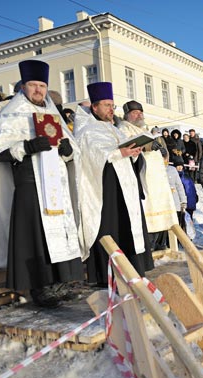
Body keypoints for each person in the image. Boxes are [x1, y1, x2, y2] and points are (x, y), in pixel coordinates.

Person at [0, 60, 84, 307]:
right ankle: (40, 286)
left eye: (42, 86)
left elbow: (71, 152)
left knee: (60, 231)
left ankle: (62, 281)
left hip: (56, 184)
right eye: (33, 85)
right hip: (29, 179)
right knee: (35, 233)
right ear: (23, 86)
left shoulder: (53, 114)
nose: (38, 90)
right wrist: (25, 146)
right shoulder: (10, 113)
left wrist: (68, 150)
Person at [73, 81, 152, 286]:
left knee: (127, 226)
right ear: (95, 107)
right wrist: (119, 152)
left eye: (112, 105)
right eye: (107, 105)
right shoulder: (86, 129)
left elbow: (123, 151)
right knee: (110, 228)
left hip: (124, 188)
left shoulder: (115, 129)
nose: (111, 110)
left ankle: (131, 269)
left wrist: (133, 153)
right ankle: (106, 275)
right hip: (104, 189)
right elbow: (93, 153)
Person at [118, 100, 177, 253]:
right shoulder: (123, 128)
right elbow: (127, 146)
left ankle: (161, 241)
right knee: (149, 209)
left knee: (161, 205)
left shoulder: (144, 129)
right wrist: (147, 146)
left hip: (157, 178)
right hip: (144, 177)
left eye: (141, 112)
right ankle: (149, 243)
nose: (139, 115)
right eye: (135, 113)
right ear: (127, 115)